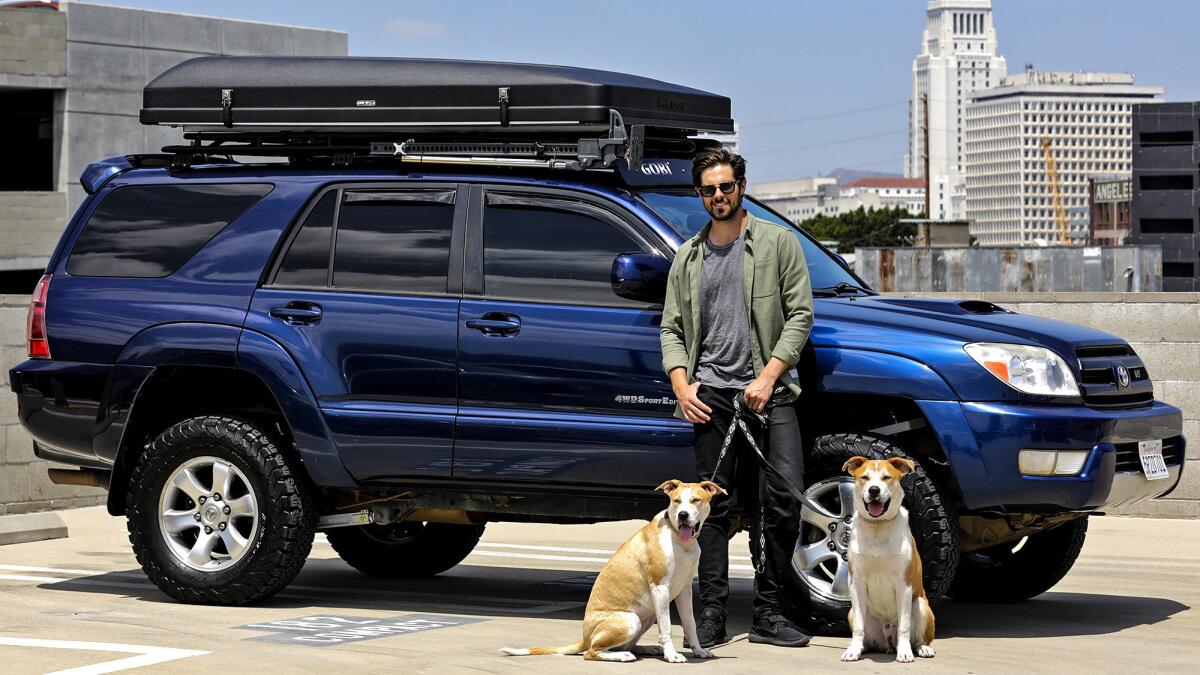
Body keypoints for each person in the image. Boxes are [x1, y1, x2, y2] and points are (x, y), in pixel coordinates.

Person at [659, 146, 815, 648]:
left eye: (727, 186)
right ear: (699, 194)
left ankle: (770, 614)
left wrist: (768, 377)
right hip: (712, 398)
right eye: (709, 189)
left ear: (741, 187)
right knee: (710, 512)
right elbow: (672, 329)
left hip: (769, 394)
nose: (719, 195)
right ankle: (711, 614)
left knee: (784, 501)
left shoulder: (776, 244)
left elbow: (800, 316)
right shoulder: (688, 257)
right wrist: (683, 386)